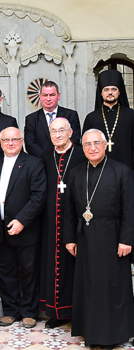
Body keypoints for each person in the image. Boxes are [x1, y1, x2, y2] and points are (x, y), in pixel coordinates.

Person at [64, 129, 134, 348]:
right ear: (82, 148)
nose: (92, 148)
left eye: (96, 143)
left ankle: (114, 334)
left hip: (113, 238)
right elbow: (68, 210)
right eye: (87, 145)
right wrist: (69, 238)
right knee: (89, 285)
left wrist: (127, 239)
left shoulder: (122, 171)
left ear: (105, 145)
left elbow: (130, 209)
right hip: (85, 237)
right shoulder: (75, 173)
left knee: (112, 285)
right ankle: (91, 332)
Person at [0, 127, 46, 329]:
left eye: (15, 139)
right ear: (0, 142)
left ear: (21, 141)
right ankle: (11, 311)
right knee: (6, 272)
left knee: (29, 272)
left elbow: (39, 196)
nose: (10, 143)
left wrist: (22, 220)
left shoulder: (34, 163)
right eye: (6, 140)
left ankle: (30, 312)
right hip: (0, 229)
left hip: (26, 229)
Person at [39, 118, 85, 328]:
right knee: (52, 264)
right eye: (53, 131)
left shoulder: (82, 153)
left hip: (76, 219)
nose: (57, 135)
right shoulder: (46, 155)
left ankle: (77, 312)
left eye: (61, 131)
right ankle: (56, 313)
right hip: (50, 220)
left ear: (70, 132)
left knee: (75, 266)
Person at [82, 70, 134, 169]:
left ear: (119, 92)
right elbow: (85, 147)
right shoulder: (91, 118)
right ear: (101, 93)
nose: (110, 92)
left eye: (114, 89)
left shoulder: (131, 115)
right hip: (99, 170)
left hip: (128, 169)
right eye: (106, 89)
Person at [24, 81, 81, 157]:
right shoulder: (31, 119)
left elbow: (75, 139)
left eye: (52, 95)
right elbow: (30, 144)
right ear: (40, 96)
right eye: (45, 95)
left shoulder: (71, 115)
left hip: (66, 159)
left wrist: (61, 154)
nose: (48, 98)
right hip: (41, 162)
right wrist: (47, 158)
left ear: (58, 96)